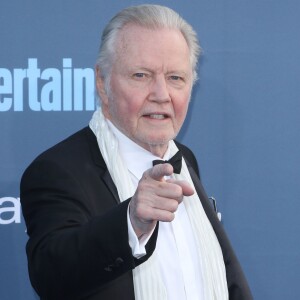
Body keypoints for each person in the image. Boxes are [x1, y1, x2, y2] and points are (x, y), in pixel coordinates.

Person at [20, 4, 252, 300]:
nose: (161, 94)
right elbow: (51, 276)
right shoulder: (57, 170)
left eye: (175, 78)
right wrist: (131, 222)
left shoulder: (185, 158)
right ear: (103, 83)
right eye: (141, 75)